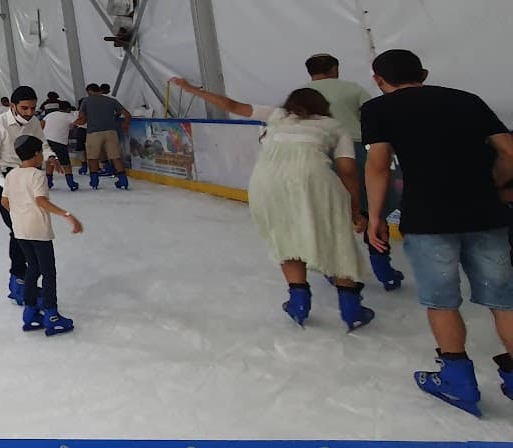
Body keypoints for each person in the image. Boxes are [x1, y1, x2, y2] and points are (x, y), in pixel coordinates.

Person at [360, 49, 513, 414]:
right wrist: (496, 183)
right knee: (504, 299)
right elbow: (509, 150)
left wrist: (375, 216)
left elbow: (378, 165)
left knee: (442, 301)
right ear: (424, 74)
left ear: (378, 80)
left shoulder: (378, 109)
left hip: (428, 217)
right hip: (486, 214)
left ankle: (459, 381)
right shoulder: (468, 100)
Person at [172, 77, 374, 331]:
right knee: (337, 239)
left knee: (284, 234)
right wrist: (355, 208)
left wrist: (191, 89)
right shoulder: (335, 126)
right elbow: (347, 170)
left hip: (266, 181)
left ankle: (298, 303)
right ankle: (351, 309)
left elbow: (231, 105)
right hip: (314, 179)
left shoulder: (276, 115)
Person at [305, 53, 402, 289]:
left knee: (328, 213)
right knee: (372, 209)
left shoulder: (301, 94)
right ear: (335, 69)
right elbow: (374, 115)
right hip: (356, 151)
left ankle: (334, 270)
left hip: (317, 154)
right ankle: (384, 269)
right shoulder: (352, 89)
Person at [2, 136, 81, 334]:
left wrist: (19, 213)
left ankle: (30, 312)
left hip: (20, 230)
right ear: (37, 154)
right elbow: (41, 201)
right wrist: (67, 215)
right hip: (38, 230)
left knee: (33, 268)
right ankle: (51, 315)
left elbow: (5, 201)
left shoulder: (11, 174)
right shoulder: (37, 175)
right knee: (48, 272)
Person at [0, 87, 45, 305]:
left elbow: (43, 144)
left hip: (26, 177)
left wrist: (52, 157)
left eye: (33, 108)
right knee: (18, 228)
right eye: (24, 108)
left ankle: (24, 278)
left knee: (28, 228)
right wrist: (7, 184)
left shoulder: (33, 122)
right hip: (1, 177)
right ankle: (18, 279)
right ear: (13, 106)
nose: (29, 112)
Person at [76, 86, 131, 189]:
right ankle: (123, 180)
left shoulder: (86, 101)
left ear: (89, 91)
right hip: (111, 132)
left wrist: (75, 123)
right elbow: (127, 114)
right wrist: (125, 124)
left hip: (94, 133)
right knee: (115, 157)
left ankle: (94, 182)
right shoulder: (111, 100)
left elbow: (82, 119)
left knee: (92, 158)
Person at [40, 101, 81, 191]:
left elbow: (41, 125)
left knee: (50, 160)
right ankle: (71, 183)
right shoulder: (68, 115)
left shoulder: (50, 115)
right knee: (66, 163)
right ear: (68, 109)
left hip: (46, 140)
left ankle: (49, 182)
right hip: (59, 142)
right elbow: (79, 122)